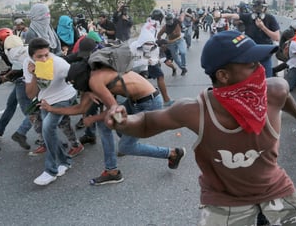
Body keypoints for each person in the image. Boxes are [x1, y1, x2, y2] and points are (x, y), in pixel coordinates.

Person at [104, 30, 296, 226]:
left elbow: (285, 97)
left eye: (259, 62)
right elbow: (146, 123)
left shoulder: (274, 90)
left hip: (275, 189)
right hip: (225, 199)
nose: (260, 70)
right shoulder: (195, 111)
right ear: (223, 75)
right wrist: (124, 122)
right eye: (250, 65)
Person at [46, 55, 186, 186]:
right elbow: (81, 108)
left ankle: (172, 153)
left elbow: (115, 111)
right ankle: (111, 168)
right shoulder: (95, 73)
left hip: (148, 104)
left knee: (126, 146)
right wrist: (51, 109)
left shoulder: (95, 82)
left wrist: (93, 118)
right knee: (104, 125)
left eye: (75, 85)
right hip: (136, 101)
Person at [23, 38, 78, 185]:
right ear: (31, 57)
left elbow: (77, 77)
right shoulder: (28, 64)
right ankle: (65, 161)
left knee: (47, 127)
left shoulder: (59, 63)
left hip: (64, 96)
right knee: (49, 132)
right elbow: (30, 94)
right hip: (46, 100)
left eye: (46, 54)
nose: (44, 58)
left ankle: (50, 171)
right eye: (39, 56)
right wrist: (35, 74)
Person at [216, 0, 281, 77]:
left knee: (267, 79)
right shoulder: (249, 17)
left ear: (265, 8)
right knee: (247, 78)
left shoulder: (270, 18)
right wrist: (221, 15)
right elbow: (235, 15)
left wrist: (263, 27)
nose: (258, 9)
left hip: (265, 51)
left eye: (260, 7)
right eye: (256, 6)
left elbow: (276, 37)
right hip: (251, 51)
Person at [129, 28, 174, 107]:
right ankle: (136, 102)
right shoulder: (133, 47)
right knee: (140, 83)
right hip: (134, 67)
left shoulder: (155, 48)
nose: (149, 46)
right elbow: (128, 64)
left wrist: (155, 60)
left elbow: (159, 58)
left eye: (151, 44)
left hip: (150, 64)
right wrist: (144, 62)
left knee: (160, 75)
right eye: (147, 44)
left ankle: (166, 99)